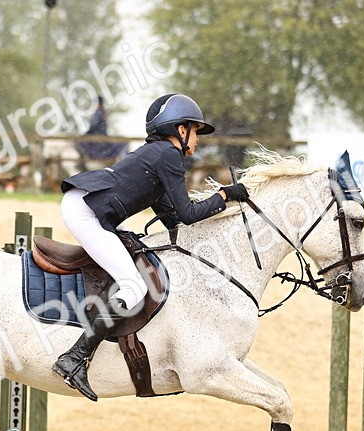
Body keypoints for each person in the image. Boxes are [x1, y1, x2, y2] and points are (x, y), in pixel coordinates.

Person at [52, 93, 250, 402]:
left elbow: (171, 215)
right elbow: (187, 213)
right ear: (179, 130)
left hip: (84, 204)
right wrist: (224, 197)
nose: (197, 139)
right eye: (195, 130)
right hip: (85, 212)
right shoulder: (168, 156)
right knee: (132, 288)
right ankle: (75, 358)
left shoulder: (158, 155)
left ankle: (77, 357)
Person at [77, 96, 126, 162]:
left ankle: (86, 159)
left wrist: (85, 135)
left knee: (79, 143)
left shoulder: (98, 113)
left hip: (98, 138)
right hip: (103, 136)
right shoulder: (103, 112)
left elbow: (93, 126)